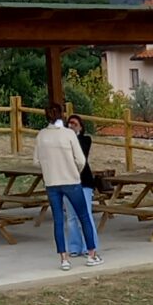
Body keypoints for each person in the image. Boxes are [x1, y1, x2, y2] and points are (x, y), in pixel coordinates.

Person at [34, 104, 100, 269]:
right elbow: (81, 160)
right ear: (62, 116)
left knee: (58, 220)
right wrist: (73, 171)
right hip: (71, 181)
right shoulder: (68, 134)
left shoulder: (41, 135)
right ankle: (91, 254)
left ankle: (64, 258)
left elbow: (36, 162)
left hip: (52, 183)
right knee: (84, 216)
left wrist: (49, 169)